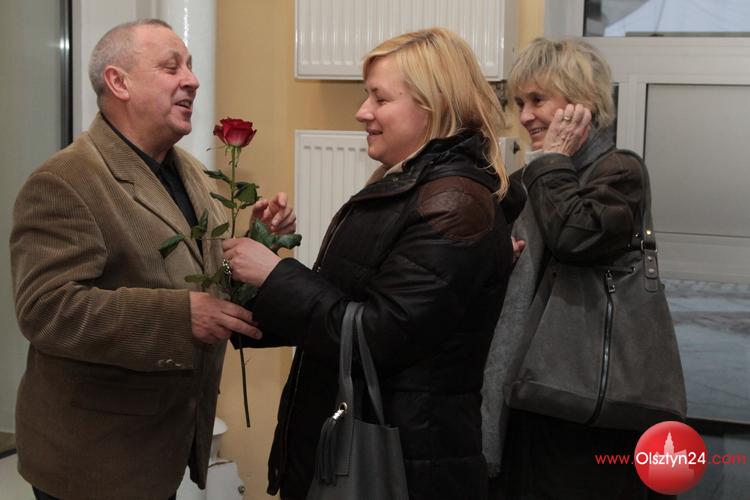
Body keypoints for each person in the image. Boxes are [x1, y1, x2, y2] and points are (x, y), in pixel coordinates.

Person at [221, 27, 524, 500]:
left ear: (433, 104)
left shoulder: (454, 204)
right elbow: (338, 309)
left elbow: (380, 336)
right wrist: (264, 256)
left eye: (380, 99)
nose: (363, 112)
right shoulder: (406, 187)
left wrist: (276, 275)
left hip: (402, 467)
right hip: (361, 451)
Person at [10, 19, 293, 500]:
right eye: (171, 67)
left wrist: (258, 242)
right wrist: (179, 317)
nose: (192, 80)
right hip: (93, 462)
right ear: (119, 82)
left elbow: (203, 282)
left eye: (190, 66)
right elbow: (45, 310)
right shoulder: (65, 181)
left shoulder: (190, 172)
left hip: (158, 450)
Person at [481, 38, 670, 499]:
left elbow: (575, 238)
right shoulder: (529, 178)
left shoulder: (619, 171)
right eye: (520, 102)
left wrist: (553, 161)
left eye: (538, 99)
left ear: (582, 102)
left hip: (588, 396)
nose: (526, 116)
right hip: (528, 387)